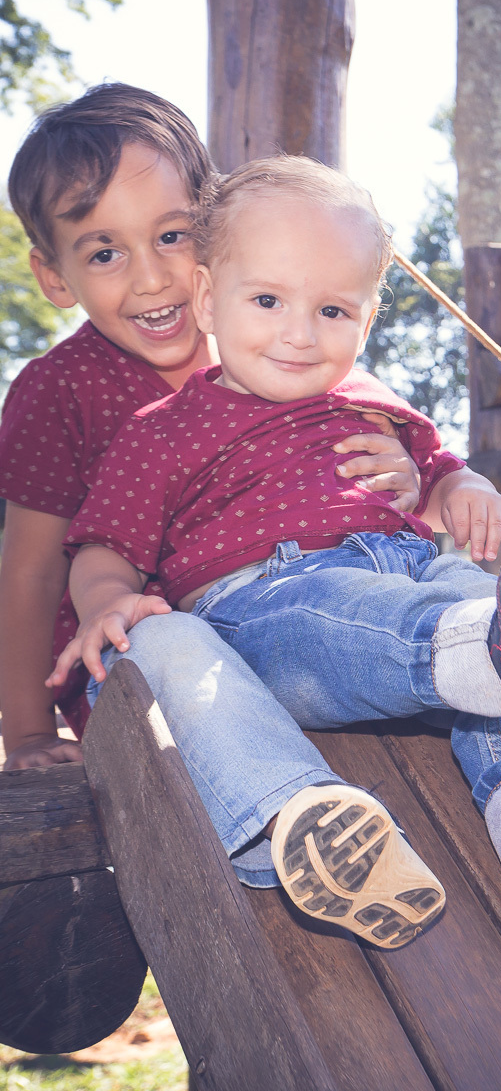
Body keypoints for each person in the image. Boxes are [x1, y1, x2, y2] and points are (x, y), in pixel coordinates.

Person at [52, 156, 501, 937]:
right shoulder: (162, 434)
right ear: (209, 297)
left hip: (419, 576)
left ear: (368, 319)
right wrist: (107, 600)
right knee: (453, 631)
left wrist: (459, 491)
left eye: (334, 311)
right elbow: (103, 547)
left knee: (496, 614)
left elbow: (444, 475)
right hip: (270, 607)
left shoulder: (376, 407)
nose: (301, 334)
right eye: (268, 300)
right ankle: (466, 688)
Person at [0, 86, 421, 772]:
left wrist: (406, 483)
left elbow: (355, 477)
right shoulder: (62, 390)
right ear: (54, 276)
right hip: (150, 669)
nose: (152, 277)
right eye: (104, 253)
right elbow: (29, 572)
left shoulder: (272, 344)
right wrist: (28, 734)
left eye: (172, 236)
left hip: (302, 628)